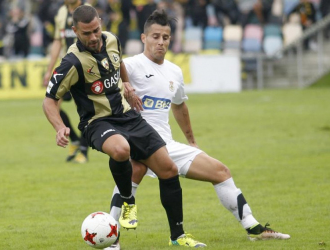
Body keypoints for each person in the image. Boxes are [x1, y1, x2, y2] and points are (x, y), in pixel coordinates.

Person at [105, 9, 291, 250]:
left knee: (221, 171)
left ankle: (254, 228)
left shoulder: (174, 71)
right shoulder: (129, 66)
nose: (161, 42)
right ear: (143, 38)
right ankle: (111, 238)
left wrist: (192, 142)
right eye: (155, 36)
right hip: (138, 141)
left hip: (166, 145)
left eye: (165, 37)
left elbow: (179, 105)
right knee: (134, 171)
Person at [43, 4, 206, 248]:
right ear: (75, 31)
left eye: (96, 30)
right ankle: (128, 200)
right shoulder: (71, 63)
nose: (94, 37)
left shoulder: (111, 40)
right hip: (96, 122)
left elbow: (119, 64)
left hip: (127, 116)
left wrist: (127, 84)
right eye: (86, 33)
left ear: (100, 22)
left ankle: (178, 236)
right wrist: (58, 126)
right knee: (121, 150)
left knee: (168, 169)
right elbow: (49, 101)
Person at [42, 0, 88, 163]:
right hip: (67, 67)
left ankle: (83, 151)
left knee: (85, 110)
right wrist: (49, 70)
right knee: (53, 105)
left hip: (84, 67)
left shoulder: (87, 10)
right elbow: (57, 41)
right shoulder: (62, 12)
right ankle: (74, 139)